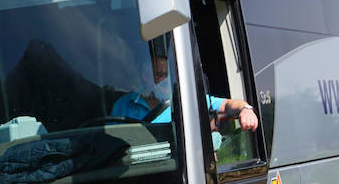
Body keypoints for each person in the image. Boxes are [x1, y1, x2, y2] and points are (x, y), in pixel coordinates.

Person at [110, 45, 259, 131]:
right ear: (145, 76)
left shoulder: (185, 99)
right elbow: (111, 144)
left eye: (168, 75)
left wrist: (246, 109)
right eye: (159, 75)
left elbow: (226, 104)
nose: (164, 81)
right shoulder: (123, 105)